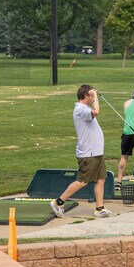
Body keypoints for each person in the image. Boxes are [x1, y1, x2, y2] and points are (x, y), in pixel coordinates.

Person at [50, 84, 115, 218]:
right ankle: (58, 202)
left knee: (101, 179)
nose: (93, 99)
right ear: (87, 96)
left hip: (96, 152)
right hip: (88, 153)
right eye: (91, 96)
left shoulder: (84, 108)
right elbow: (96, 111)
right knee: (83, 181)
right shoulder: (80, 109)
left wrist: (94, 95)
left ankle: (99, 208)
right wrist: (96, 96)